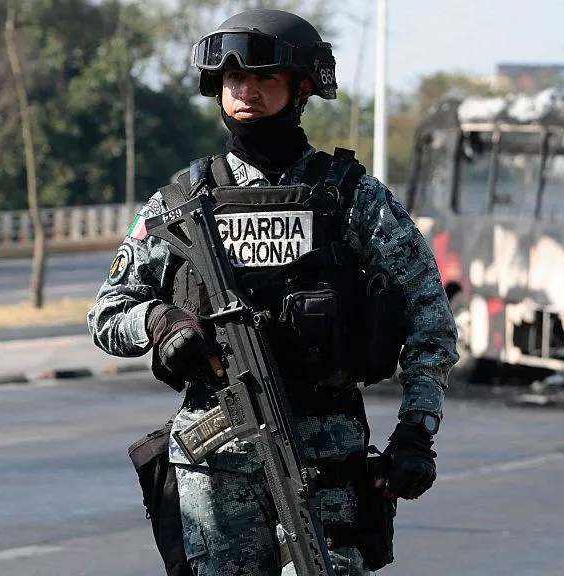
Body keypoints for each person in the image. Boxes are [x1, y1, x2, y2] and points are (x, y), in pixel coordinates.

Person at [87, 8, 458, 576]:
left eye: (265, 79)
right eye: (235, 80)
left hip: (325, 464)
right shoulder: (184, 202)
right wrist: (161, 325)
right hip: (214, 467)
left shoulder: (350, 198)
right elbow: (109, 312)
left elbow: (428, 316)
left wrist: (416, 429)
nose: (247, 92)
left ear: (302, 87)